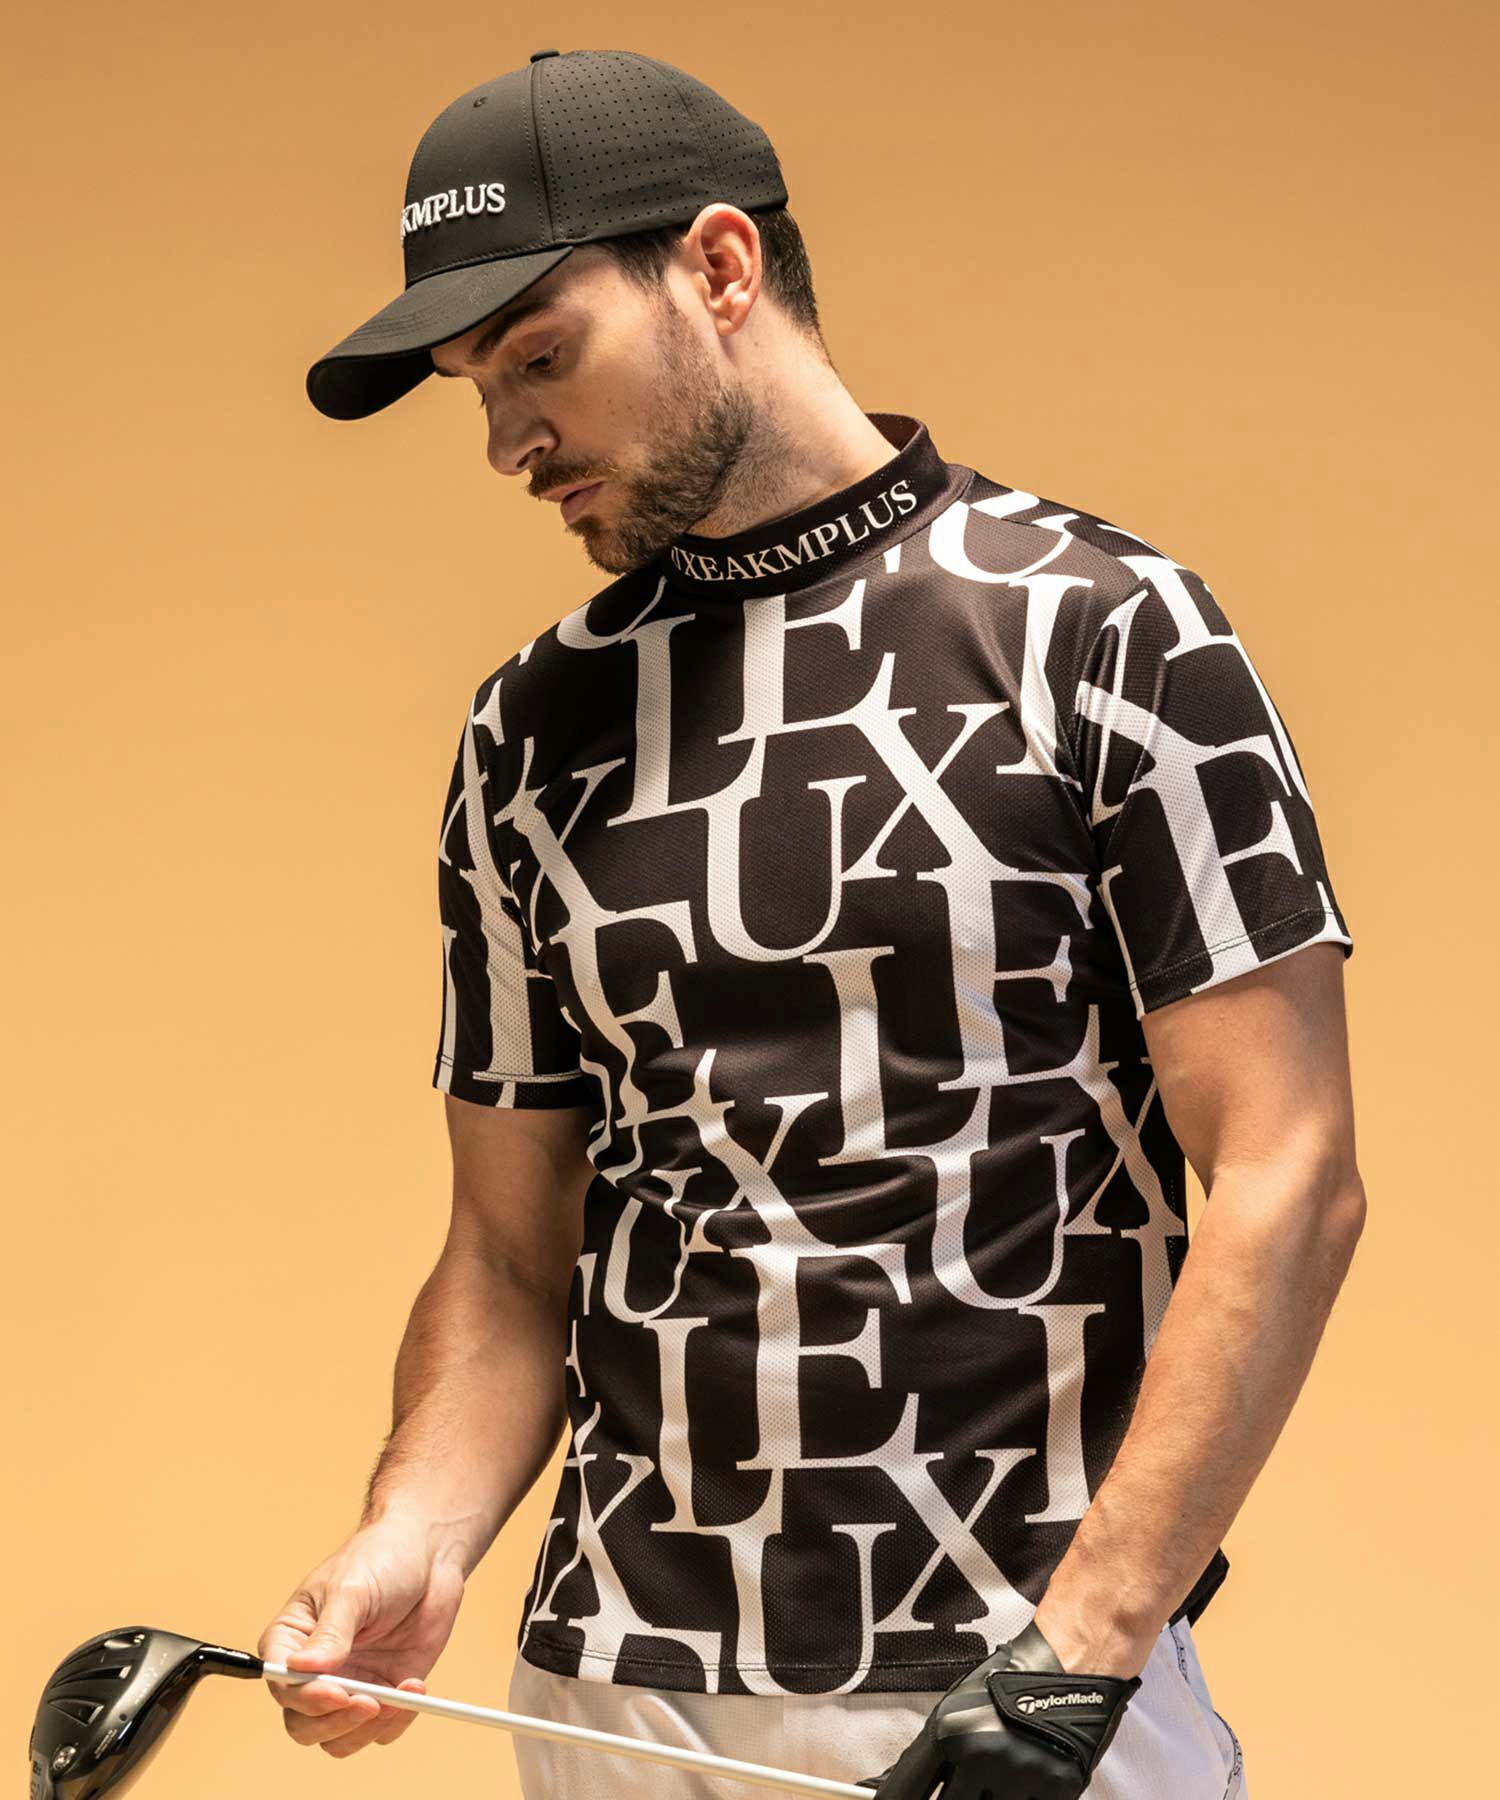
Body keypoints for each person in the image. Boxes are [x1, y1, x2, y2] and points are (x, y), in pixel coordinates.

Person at [258, 46, 1365, 1800]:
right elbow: (511, 1255)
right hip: (612, 1698)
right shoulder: (527, 731)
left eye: (540, 357)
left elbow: (1287, 1172)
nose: (507, 442)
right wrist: (416, 1532)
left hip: (1014, 1677)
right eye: (477, 389)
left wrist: (1082, 1655)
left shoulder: (1101, 632)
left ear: (719, 267)